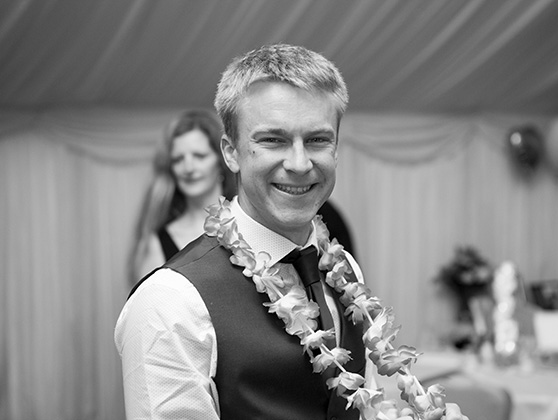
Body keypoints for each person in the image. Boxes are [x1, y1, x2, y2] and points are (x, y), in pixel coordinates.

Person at [115, 44, 468, 420]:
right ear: (231, 152)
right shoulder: (169, 303)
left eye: (317, 139)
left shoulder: (342, 268)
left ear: (336, 149)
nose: (300, 164)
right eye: (273, 140)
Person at [128, 109, 237, 281]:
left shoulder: (252, 220)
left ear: (222, 160)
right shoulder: (158, 242)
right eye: (178, 159)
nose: (188, 168)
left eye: (199, 156)